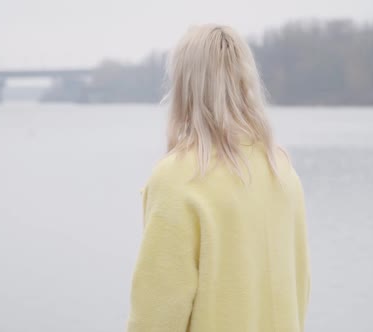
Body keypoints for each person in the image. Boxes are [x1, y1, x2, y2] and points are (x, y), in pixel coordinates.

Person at [126, 24, 311, 332]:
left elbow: (155, 315)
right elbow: (300, 289)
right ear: (246, 81)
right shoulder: (282, 172)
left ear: (185, 86)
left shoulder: (178, 178)